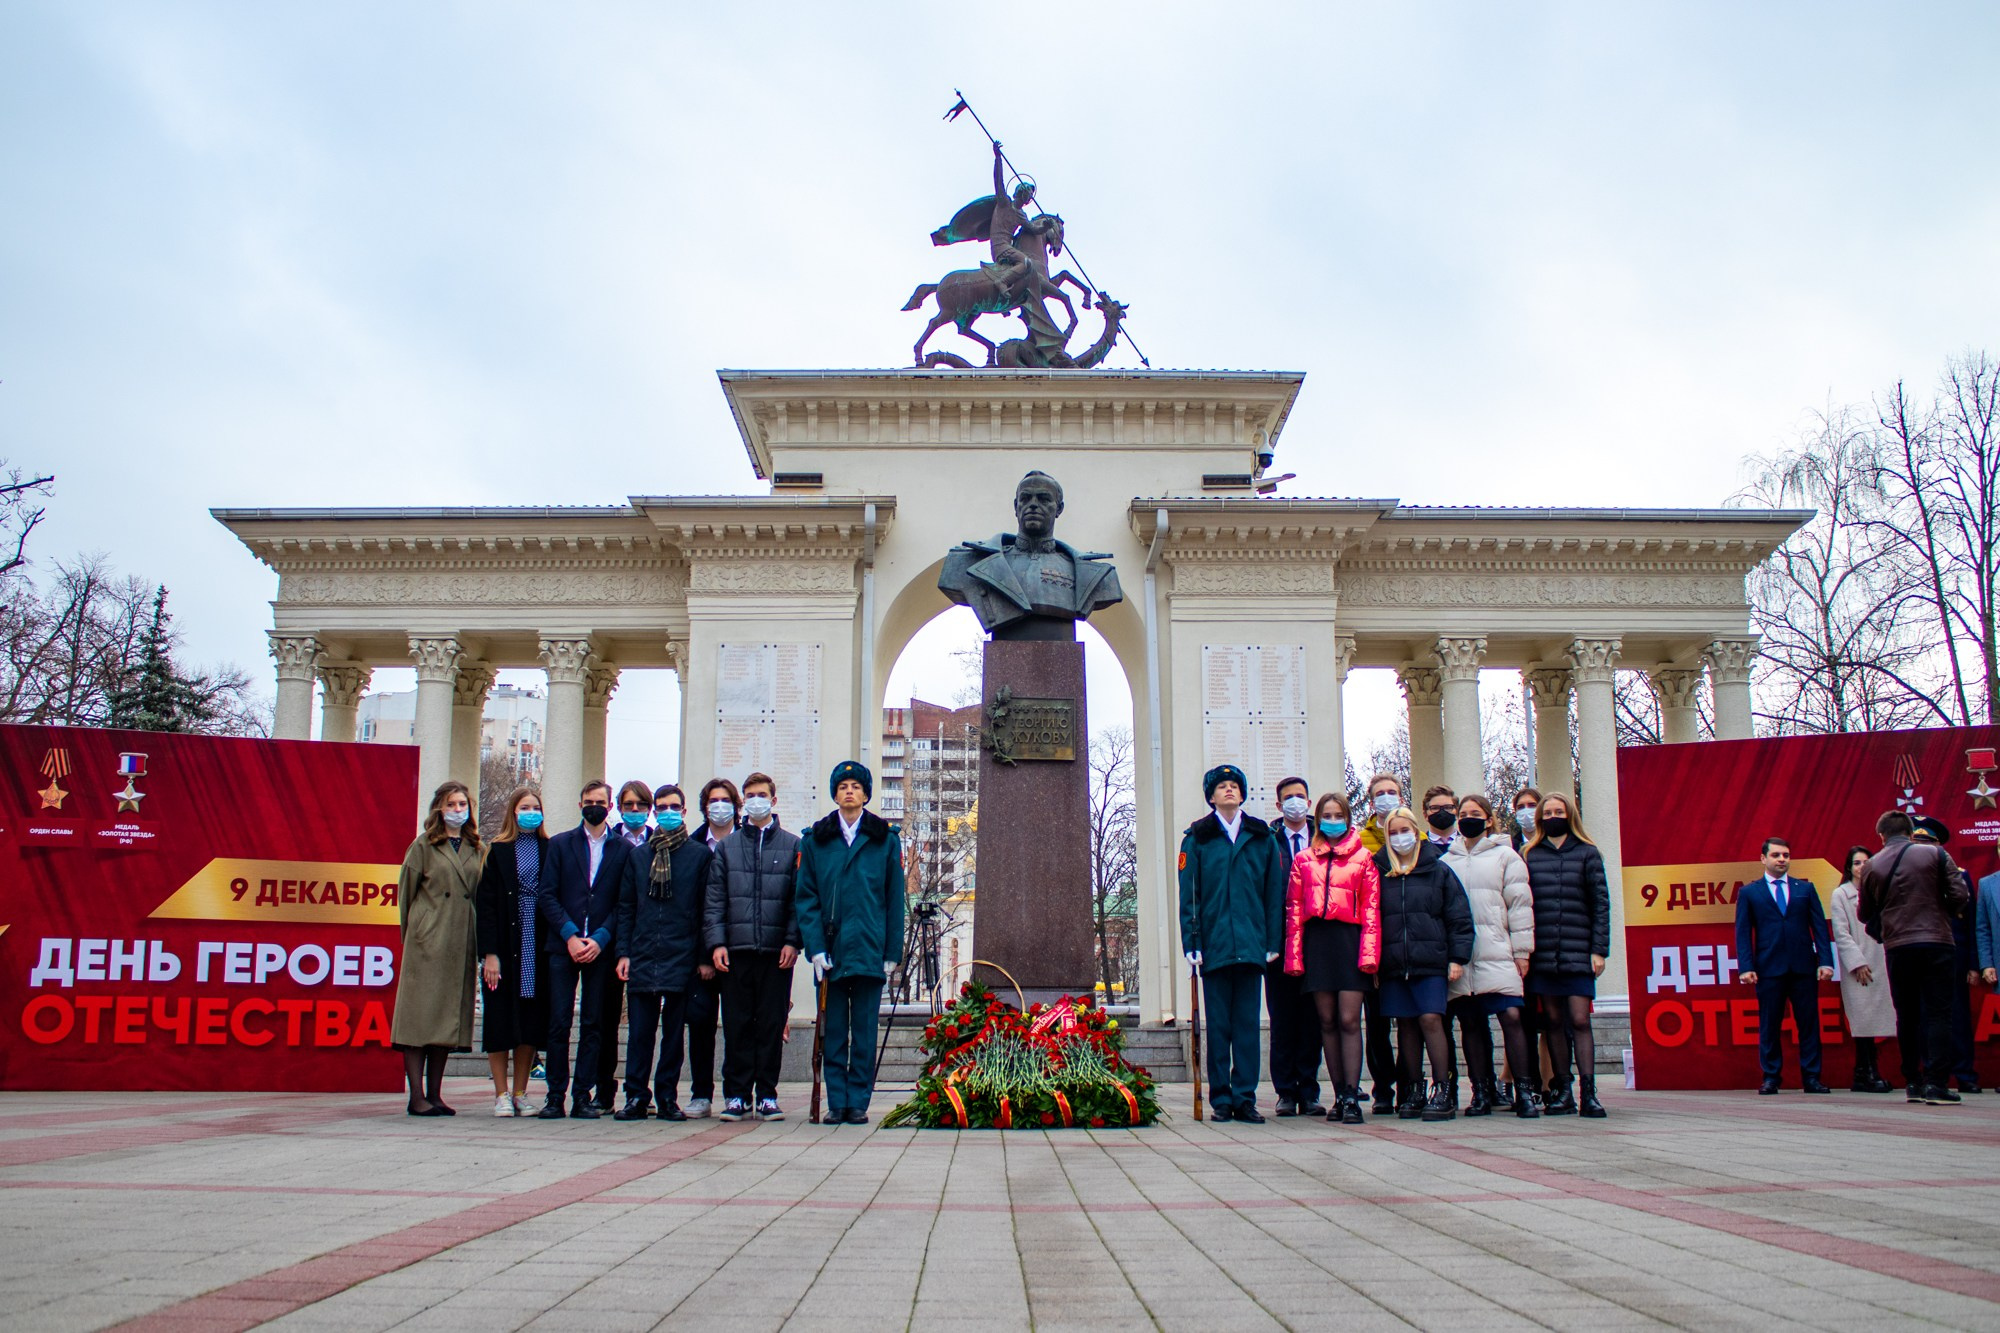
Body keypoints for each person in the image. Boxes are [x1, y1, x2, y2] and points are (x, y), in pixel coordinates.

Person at [797, 761, 906, 1125]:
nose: (849, 791)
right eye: (842, 785)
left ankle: (858, 1101)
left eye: (855, 786)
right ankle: (836, 1100)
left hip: (869, 948)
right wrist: (814, 948)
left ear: (865, 794)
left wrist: (892, 952)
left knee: (863, 1032)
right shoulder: (817, 840)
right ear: (835, 793)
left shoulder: (884, 839)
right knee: (832, 1032)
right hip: (830, 950)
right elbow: (807, 898)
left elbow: (894, 900)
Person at [1180, 764, 1288, 1123]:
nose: (1229, 790)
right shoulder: (1197, 838)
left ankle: (1245, 1097)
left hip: (1252, 944)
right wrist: (1191, 942)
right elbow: (1189, 897)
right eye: (1221, 786)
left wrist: (1272, 940)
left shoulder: (1261, 837)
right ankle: (1221, 1099)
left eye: (1234, 786)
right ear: (1211, 796)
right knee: (1219, 1026)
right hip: (1214, 945)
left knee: (1246, 1026)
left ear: (1242, 794)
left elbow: (1274, 894)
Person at [704, 770, 802, 1122]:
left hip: (777, 953)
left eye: (762, 794)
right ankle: (736, 1094)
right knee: (737, 1024)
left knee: (771, 1025)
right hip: (737, 951)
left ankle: (768, 1095)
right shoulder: (728, 847)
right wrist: (716, 942)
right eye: (750, 795)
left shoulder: (792, 845)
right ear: (743, 801)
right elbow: (714, 901)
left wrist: (793, 941)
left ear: (773, 800)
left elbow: (797, 900)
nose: (756, 800)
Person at [613, 784, 712, 1121]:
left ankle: (667, 1096)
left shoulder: (700, 855)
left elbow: (704, 910)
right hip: (643, 952)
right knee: (640, 1032)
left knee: (673, 1035)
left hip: (681, 954)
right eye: (662, 807)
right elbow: (626, 907)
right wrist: (623, 952)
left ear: (684, 811)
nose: (668, 812)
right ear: (655, 812)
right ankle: (636, 1096)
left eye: (675, 807)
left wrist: (701, 957)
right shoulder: (639, 856)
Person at [1859, 809, 1972, 1105]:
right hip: (1937, 943)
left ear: (1881, 836)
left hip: (1898, 947)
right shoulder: (1936, 855)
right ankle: (1937, 1084)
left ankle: (1912, 1082)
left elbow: (1864, 913)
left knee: (1906, 1016)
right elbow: (1961, 896)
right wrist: (1939, 913)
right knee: (1938, 1014)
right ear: (1910, 833)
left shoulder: (1871, 864)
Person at [1371, 807, 1474, 1122]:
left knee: (1431, 1020)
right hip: (1393, 963)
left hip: (1431, 961)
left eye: (1405, 830)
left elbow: (1458, 916)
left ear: (1416, 831)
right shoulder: (1379, 870)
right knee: (1405, 1026)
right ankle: (1412, 1089)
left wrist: (1458, 958)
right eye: (1393, 832)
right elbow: (1371, 919)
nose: (1400, 837)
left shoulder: (1438, 870)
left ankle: (1443, 1088)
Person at [1283, 792, 1379, 1125]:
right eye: (1327, 814)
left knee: (1350, 1019)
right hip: (1317, 943)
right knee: (1326, 1022)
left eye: (1339, 814)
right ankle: (1339, 1095)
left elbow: (1371, 910)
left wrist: (1369, 956)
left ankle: (1353, 1094)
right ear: (1318, 818)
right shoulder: (1304, 859)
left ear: (1348, 818)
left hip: (1349, 941)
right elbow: (1293, 909)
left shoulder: (1364, 858)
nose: (1333, 820)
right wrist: (1294, 958)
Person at [538, 781, 632, 1119]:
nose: (595, 806)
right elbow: (547, 894)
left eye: (601, 801)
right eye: (589, 801)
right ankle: (554, 1096)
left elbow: (625, 901)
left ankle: (582, 1096)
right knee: (558, 1023)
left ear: (610, 806)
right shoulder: (561, 844)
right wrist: (570, 935)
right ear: (580, 804)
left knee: (594, 1023)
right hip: (564, 946)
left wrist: (602, 937)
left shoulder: (623, 849)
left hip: (600, 950)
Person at [1442, 795, 1539, 1119]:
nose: (1468, 818)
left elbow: (1520, 906)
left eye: (1475, 813)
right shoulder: (1447, 861)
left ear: (1488, 819)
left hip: (1498, 950)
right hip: (1464, 956)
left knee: (1511, 1017)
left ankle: (1524, 1090)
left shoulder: (1506, 856)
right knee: (1471, 1023)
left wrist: (1522, 951)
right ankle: (1481, 1092)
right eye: (1463, 814)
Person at [392, 780, 482, 1116]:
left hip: (460, 942)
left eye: (462, 804)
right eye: (451, 804)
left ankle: (436, 1094)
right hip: (427, 943)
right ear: (439, 809)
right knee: (419, 1019)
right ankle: (416, 1096)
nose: (458, 810)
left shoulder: (476, 847)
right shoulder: (424, 846)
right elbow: (406, 897)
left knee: (445, 1019)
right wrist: (417, 936)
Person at [1521, 792, 1611, 1118]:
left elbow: (1601, 904)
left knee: (1579, 1019)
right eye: (1549, 812)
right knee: (1553, 1021)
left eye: (1559, 811)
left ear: (1569, 815)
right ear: (1540, 818)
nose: (1554, 816)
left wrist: (1599, 950)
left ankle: (1590, 1092)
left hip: (1578, 952)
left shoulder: (1588, 853)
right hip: (1543, 954)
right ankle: (1563, 1091)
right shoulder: (1529, 854)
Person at [1735, 837, 1835, 1095]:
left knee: (1809, 1023)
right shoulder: (1750, 892)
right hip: (1769, 968)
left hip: (1803, 967)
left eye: (1786, 855)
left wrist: (1826, 961)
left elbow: (1820, 928)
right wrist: (1746, 966)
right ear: (1763, 858)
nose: (1782, 860)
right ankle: (1771, 1077)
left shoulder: (1805, 889)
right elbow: (1743, 932)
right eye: (1777, 855)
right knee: (1770, 1024)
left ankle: (1811, 1078)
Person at [475, 786, 549, 1117]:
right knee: (500, 1017)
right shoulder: (498, 850)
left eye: (535, 806)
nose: (530, 811)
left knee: (530, 1018)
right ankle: (500, 1093)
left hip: (537, 941)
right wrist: (490, 954)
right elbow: (486, 905)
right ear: (513, 812)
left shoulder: (550, 848)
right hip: (505, 942)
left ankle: (521, 1091)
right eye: (524, 807)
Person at [585, 778, 655, 1112]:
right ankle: (604, 1090)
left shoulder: (657, 843)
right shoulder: (609, 842)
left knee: (645, 1024)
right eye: (628, 805)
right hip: (612, 943)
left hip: (649, 944)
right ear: (618, 808)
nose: (635, 811)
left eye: (641, 805)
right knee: (605, 1019)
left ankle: (642, 1091)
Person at [1267, 775, 1325, 1117]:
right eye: (1288, 798)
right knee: (1283, 1019)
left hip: (1315, 941)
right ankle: (1285, 1092)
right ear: (1279, 806)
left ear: (1309, 801)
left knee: (1312, 1020)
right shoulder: (1268, 841)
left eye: (1300, 796)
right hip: (1279, 943)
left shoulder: (1322, 839)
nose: (1295, 802)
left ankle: (1310, 1089)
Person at [1915, 816, 1985, 1094]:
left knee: (1957, 1016)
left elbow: (1970, 921)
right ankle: (1927, 1073)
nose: (1922, 849)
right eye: (1916, 843)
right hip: (1918, 954)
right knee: (1921, 1015)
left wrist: (1973, 964)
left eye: (1928, 843)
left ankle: (1965, 1073)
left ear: (1939, 846)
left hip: (1953, 956)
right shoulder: (1904, 874)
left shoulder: (1959, 874)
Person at [1357, 772, 1409, 1114]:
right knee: (1376, 1023)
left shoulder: (1414, 837)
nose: (1387, 797)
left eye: (1393, 792)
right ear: (1371, 801)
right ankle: (1383, 1088)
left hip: (1408, 945)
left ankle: (1409, 1084)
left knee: (1408, 1021)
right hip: (1374, 944)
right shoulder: (1360, 843)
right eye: (1380, 794)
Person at [1830, 844, 1896, 1093]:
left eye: (1866, 862)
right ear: (1849, 868)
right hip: (1859, 965)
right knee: (1863, 1020)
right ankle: (1865, 1072)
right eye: (1857, 863)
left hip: (1884, 961)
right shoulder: (1841, 895)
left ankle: (1867, 1071)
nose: (1862, 867)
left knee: (1883, 1019)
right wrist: (1857, 963)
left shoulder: (1881, 891)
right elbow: (1842, 933)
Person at [1421, 786, 1458, 850]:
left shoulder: (1468, 844)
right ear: (1425, 815)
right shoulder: (1418, 847)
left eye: (1448, 807)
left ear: (1457, 813)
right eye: (1435, 808)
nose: (1442, 812)